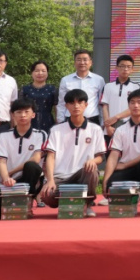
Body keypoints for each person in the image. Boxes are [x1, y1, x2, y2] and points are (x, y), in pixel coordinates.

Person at [41, 89, 105, 217]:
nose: (76, 106)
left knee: (92, 170)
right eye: (72, 103)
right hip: (61, 178)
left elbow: (100, 157)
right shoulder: (56, 130)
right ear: (66, 106)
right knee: (47, 196)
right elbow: (50, 157)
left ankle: (87, 204)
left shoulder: (95, 129)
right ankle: (69, 202)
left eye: (80, 102)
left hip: (82, 176)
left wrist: (93, 161)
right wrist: (50, 180)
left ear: (86, 105)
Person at [104, 89, 140, 215]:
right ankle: (132, 197)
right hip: (127, 171)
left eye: (139, 102)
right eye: (132, 102)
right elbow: (113, 156)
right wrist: (106, 180)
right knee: (110, 185)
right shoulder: (121, 129)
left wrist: (125, 165)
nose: (135, 105)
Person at [0, 98, 46, 203]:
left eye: (26, 112)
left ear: (33, 115)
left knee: (31, 166)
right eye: (19, 112)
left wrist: (11, 172)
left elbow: (36, 159)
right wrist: (6, 178)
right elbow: (1, 162)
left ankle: (29, 197)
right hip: (9, 182)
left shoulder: (40, 134)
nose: (23, 115)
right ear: (13, 115)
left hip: (30, 179)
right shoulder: (3, 136)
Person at [56, 49, 106, 124]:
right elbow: (61, 103)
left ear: (91, 62)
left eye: (85, 60)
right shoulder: (65, 80)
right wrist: (60, 121)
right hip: (70, 120)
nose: (82, 62)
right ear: (74, 63)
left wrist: (103, 122)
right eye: (79, 60)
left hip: (92, 120)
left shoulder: (99, 80)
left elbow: (101, 103)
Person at [100, 54, 140, 144]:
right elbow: (105, 107)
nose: (125, 69)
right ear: (116, 68)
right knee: (110, 151)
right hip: (111, 128)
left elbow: (135, 108)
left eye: (128, 67)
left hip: (129, 126)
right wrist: (108, 126)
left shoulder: (136, 87)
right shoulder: (108, 86)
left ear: (132, 69)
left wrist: (116, 117)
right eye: (122, 66)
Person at [22, 61, 57, 133]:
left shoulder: (52, 89)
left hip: (48, 121)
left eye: (43, 71)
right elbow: (19, 108)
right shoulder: (25, 89)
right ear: (32, 73)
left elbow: (56, 108)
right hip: (28, 121)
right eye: (37, 71)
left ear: (47, 73)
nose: (40, 73)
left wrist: (58, 123)